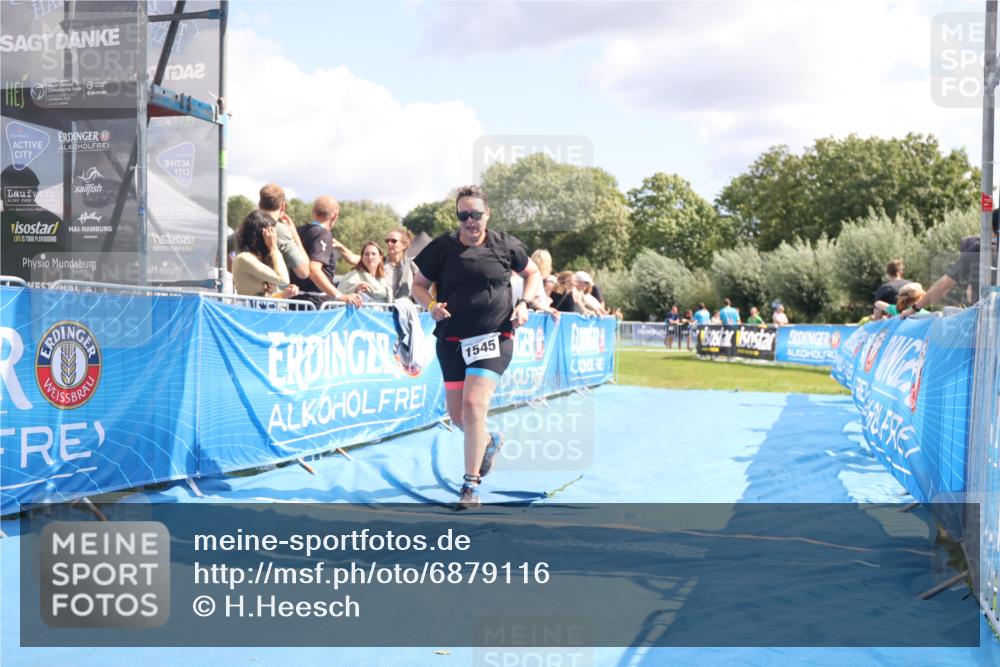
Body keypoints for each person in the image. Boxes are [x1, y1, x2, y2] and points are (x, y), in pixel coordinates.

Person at [412, 185, 542, 509]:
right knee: (458, 415)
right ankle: (489, 441)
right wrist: (430, 306)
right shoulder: (442, 248)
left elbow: (534, 273)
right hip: (452, 341)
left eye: (476, 214)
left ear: (488, 214)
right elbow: (418, 286)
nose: (470, 221)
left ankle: (469, 487)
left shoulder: (505, 245)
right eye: (463, 215)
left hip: (493, 337)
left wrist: (524, 303)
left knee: (473, 406)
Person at [902, 215, 998, 315]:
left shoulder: (979, 249)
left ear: (990, 228)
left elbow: (944, 284)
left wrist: (914, 308)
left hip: (987, 321)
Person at [291, 195, 363, 307]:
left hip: (294, 301)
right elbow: (314, 270)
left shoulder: (298, 231)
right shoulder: (323, 234)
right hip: (315, 305)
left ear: (313, 212)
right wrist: (341, 296)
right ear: (334, 216)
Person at [231, 210, 300, 298]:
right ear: (261, 235)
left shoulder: (258, 259)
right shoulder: (244, 258)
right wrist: (273, 248)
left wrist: (283, 295)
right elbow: (284, 280)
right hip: (251, 311)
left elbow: (265, 301)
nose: (274, 237)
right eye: (271, 233)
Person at [258, 184, 311, 281]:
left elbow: (222, 253)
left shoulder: (245, 226)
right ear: (283, 206)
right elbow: (304, 272)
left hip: (244, 295)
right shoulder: (280, 230)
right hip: (272, 295)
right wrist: (295, 236)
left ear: (259, 204)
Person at [383, 227, 416, 300]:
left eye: (393, 241)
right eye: (387, 241)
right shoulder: (380, 262)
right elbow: (354, 259)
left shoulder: (412, 264)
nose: (389, 243)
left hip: (406, 309)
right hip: (384, 309)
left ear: (404, 245)